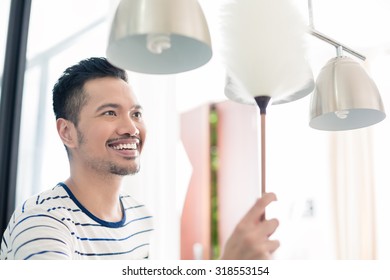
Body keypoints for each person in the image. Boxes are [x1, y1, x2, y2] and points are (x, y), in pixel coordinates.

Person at [0, 57, 279, 260]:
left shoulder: (139, 218)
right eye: (110, 112)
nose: (131, 128)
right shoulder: (43, 223)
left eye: (136, 113)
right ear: (67, 132)